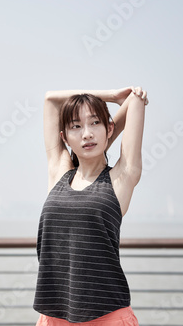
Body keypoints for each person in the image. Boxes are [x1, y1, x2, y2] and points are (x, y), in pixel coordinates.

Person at [33, 87, 148, 326]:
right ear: (64, 137)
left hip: (107, 317)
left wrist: (122, 101)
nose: (86, 134)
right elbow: (50, 100)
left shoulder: (121, 178)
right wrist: (111, 96)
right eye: (76, 126)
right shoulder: (59, 172)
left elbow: (135, 100)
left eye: (95, 123)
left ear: (109, 129)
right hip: (54, 317)